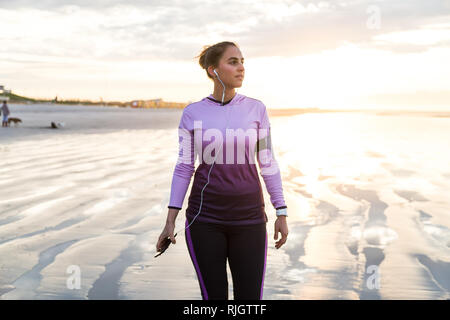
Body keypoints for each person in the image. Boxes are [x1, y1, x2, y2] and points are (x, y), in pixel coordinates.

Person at [156, 41, 289, 300]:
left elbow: (268, 162)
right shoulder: (192, 113)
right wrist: (170, 219)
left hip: (249, 218)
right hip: (204, 220)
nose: (241, 68)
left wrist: (281, 211)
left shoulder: (256, 109)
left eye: (242, 62)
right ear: (212, 70)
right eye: (233, 62)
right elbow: (184, 166)